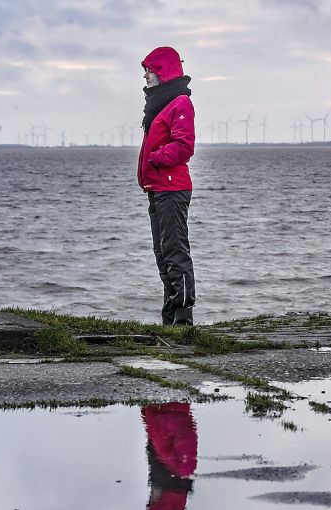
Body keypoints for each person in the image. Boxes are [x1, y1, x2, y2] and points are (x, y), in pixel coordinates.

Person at [138, 46, 197, 325]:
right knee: (162, 254)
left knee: (175, 251)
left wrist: (154, 158)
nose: (147, 76)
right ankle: (170, 316)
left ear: (163, 71)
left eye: (150, 70)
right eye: (146, 71)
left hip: (173, 189)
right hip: (157, 188)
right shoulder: (160, 104)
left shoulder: (180, 103)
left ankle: (184, 319)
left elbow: (184, 146)